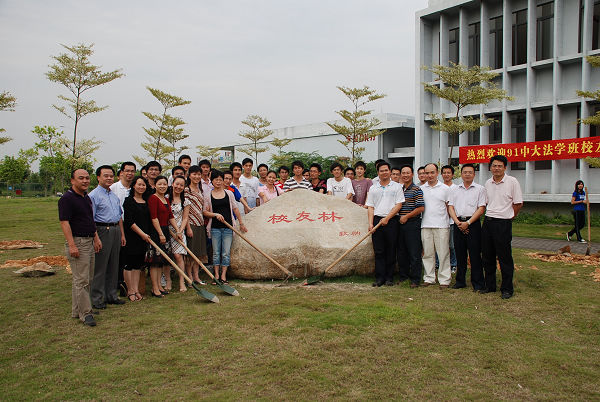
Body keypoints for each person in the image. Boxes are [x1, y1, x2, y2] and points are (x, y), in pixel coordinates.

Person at [59, 169, 102, 327]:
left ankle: (78, 309)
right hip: (78, 242)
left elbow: (90, 219)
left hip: (89, 240)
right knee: (81, 280)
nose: (85, 181)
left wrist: (96, 238)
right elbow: (64, 222)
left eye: (87, 178)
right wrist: (72, 245)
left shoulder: (86, 197)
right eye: (81, 178)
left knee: (86, 278)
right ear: (72, 180)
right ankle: (86, 314)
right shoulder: (66, 199)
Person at [481, 155, 523, 299]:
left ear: (505, 167)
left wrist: (510, 216)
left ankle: (507, 288)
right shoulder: (488, 183)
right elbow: (487, 202)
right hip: (488, 222)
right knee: (487, 256)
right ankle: (490, 285)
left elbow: (518, 203)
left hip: (503, 223)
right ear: (490, 168)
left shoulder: (512, 182)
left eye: (500, 166)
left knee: (504, 257)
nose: (496, 168)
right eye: (494, 166)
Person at [89, 165, 126, 309]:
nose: (109, 178)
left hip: (115, 229)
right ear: (98, 177)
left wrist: (122, 234)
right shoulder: (93, 196)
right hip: (102, 230)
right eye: (106, 176)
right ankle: (97, 298)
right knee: (101, 266)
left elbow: (119, 216)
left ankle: (112, 295)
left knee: (113, 264)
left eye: (111, 176)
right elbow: (91, 219)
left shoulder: (113, 195)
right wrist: (96, 238)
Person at [447, 164, 486, 291]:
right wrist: (458, 223)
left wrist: (468, 223)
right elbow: (450, 207)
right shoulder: (455, 189)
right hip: (458, 223)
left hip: (473, 224)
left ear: (474, 174)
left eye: (470, 172)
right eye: (465, 172)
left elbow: (481, 208)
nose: (467, 174)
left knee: (475, 255)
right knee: (460, 254)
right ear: (461, 174)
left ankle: (478, 283)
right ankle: (460, 281)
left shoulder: (480, 189)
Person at [204, 170, 248, 284]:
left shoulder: (229, 193)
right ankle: (216, 275)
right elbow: (205, 212)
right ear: (212, 181)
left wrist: (241, 223)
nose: (218, 182)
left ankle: (223, 276)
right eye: (216, 180)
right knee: (216, 253)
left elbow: (235, 208)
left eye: (220, 180)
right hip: (215, 228)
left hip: (228, 227)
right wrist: (215, 215)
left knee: (226, 253)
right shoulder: (208, 195)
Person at [366, 162, 404, 287]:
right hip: (377, 220)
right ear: (378, 173)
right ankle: (379, 278)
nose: (384, 172)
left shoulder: (397, 187)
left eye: (386, 170)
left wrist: (387, 218)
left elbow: (399, 205)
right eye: (381, 171)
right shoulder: (373, 188)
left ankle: (389, 277)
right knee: (379, 251)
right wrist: (371, 223)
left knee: (391, 250)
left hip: (392, 220)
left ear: (390, 171)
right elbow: (370, 206)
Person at [147, 176, 180, 297]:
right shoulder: (153, 198)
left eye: (164, 184)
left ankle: (160, 286)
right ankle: (155, 288)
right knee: (155, 262)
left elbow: (171, 216)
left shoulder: (165, 199)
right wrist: (160, 233)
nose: (162, 186)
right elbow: (154, 217)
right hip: (156, 232)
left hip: (166, 230)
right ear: (155, 185)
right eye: (160, 184)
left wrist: (178, 231)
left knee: (161, 261)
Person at [420, 163, 451, 288]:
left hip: (441, 225)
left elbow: (449, 207)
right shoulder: (421, 189)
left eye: (432, 172)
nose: (430, 175)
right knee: (427, 253)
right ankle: (429, 277)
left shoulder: (445, 189)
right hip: (425, 225)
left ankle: (445, 279)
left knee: (443, 253)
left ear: (437, 173)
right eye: (427, 173)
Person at [122, 176, 152, 301]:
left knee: (138, 265)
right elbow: (129, 221)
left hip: (144, 238)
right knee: (129, 264)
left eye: (143, 185)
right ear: (134, 185)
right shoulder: (129, 201)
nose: (141, 187)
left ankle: (136, 289)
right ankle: (130, 291)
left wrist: (146, 235)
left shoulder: (146, 201)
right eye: (139, 184)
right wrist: (142, 234)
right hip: (132, 237)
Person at [109, 161, 136, 297]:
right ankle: (116, 283)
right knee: (117, 255)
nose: (130, 173)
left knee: (128, 255)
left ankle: (126, 283)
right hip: (118, 225)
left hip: (134, 226)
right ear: (122, 172)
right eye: (127, 171)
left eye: (132, 171)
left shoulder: (135, 188)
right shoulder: (113, 188)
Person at [397, 165, 425, 288]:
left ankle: (415, 279)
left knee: (414, 252)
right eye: (403, 173)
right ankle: (403, 276)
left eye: (408, 173)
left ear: (412, 174)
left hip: (412, 223)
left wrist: (406, 216)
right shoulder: (400, 189)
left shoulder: (416, 189)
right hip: (400, 224)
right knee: (402, 252)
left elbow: (420, 208)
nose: (405, 175)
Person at [184, 165, 208, 284]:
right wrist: (188, 227)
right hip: (191, 224)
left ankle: (197, 276)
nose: (197, 176)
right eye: (194, 174)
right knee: (191, 253)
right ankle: (189, 277)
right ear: (189, 175)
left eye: (199, 174)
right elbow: (185, 211)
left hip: (200, 223)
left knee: (198, 253)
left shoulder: (200, 190)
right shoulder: (186, 190)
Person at [168, 176, 191, 292]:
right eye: (177, 184)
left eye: (181, 185)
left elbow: (185, 218)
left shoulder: (185, 201)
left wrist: (180, 231)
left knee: (178, 256)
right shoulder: (166, 198)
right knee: (167, 257)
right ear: (173, 184)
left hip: (179, 232)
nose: (178, 187)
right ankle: (168, 281)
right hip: (167, 231)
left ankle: (182, 281)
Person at [441, 165, 457, 272]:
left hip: (451, 221)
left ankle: (453, 264)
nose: (446, 175)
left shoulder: (456, 188)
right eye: (444, 173)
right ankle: (439, 264)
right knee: (441, 245)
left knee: (452, 245)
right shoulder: (439, 187)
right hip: (440, 221)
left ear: (452, 175)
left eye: (448, 173)